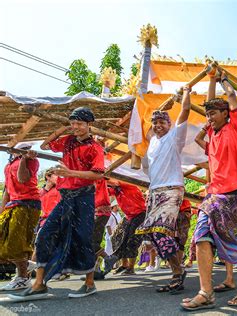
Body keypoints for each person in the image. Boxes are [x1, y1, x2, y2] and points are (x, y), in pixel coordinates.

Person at [10, 107, 105, 301]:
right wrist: (62, 128)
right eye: (73, 123)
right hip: (66, 198)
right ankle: (38, 284)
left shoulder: (95, 148)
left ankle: (89, 284)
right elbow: (45, 146)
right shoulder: (68, 141)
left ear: (89, 125)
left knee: (83, 239)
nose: (75, 127)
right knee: (45, 234)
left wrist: (71, 173)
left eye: (79, 123)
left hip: (84, 197)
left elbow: (98, 174)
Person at [181, 71, 237, 310]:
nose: (209, 117)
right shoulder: (212, 134)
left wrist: (222, 79)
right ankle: (206, 292)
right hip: (213, 196)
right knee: (200, 237)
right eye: (208, 113)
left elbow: (231, 96)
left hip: (236, 195)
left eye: (213, 113)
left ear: (226, 114)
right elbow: (210, 106)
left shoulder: (235, 129)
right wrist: (209, 80)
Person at [135, 83, 191, 294]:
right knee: (153, 236)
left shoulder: (175, 137)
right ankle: (178, 270)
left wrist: (185, 94)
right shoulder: (152, 143)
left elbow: (184, 112)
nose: (158, 125)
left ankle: (178, 272)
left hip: (171, 190)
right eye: (156, 122)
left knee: (161, 231)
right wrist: (156, 108)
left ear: (169, 124)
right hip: (155, 192)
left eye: (163, 122)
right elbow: (148, 129)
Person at [0, 143, 41, 291]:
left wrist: (24, 157)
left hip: (28, 204)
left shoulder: (32, 160)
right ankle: (26, 265)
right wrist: (1, 211)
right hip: (12, 205)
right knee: (3, 240)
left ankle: (23, 277)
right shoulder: (8, 165)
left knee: (16, 242)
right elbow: (7, 190)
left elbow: (23, 179)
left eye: (26, 150)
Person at [103, 180, 146, 276]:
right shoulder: (115, 190)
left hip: (140, 213)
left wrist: (100, 178)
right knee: (116, 237)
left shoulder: (125, 182)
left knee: (132, 240)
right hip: (128, 216)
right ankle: (124, 264)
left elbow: (114, 182)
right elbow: (104, 190)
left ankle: (131, 268)